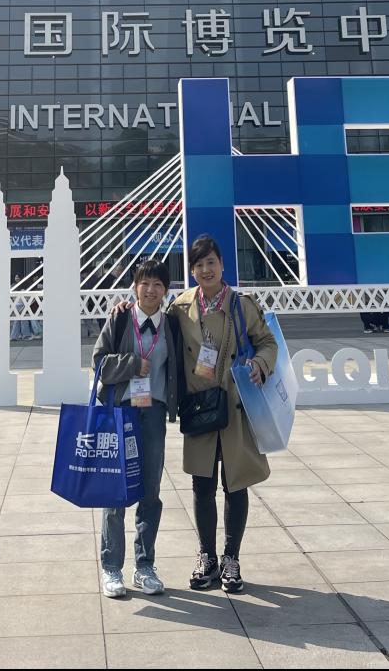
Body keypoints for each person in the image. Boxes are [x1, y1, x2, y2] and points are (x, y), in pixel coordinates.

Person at [169, 235, 277, 594]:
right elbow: (154, 327)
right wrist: (126, 310)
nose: (206, 270)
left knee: (236, 482)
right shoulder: (180, 307)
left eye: (211, 262)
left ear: (222, 265)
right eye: (199, 264)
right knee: (202, 484)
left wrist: (260, 364)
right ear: (192, 270)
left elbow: (267, 342)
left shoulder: (241, 305)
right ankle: (207, 557)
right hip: (200, 406)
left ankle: (232, 558)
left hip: (234, 405)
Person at [93, 260, 180, 599]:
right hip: (122, 412)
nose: (150, 290)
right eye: (145, 283)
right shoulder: (120, 319)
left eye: (158, 284)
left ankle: (144, 566)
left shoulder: (170, 324)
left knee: (150, 491)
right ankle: (111, 567)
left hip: (153, 414)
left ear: (166, 290)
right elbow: (99, 362)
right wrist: (132, 364)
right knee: (116, 491)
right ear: (134, 287)